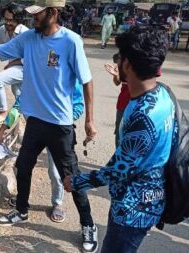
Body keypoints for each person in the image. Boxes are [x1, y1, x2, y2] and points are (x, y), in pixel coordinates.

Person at [0, 0, 98, 252]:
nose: (32, 19)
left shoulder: (71, 41)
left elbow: (87, 81)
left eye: (37, 14)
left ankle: (87, 224)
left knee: (71, 178)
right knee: (22, 166)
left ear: (52, 13)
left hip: (60, 125)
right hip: (36, 122)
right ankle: (22, 210)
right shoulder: (29, 39)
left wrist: (90, 120)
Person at [64, 26, 176, 253]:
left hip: (133, 208)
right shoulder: (163, 94)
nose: (117, 62)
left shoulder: (143, 115)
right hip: (152, 197)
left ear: (127, 64)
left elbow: (118, 170)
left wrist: (76, 182)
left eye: (120, 58)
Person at [0, 82, 85, 223]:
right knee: (21, 165)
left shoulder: (67, 74)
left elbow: (78, 105)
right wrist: (2, 130)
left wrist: (65, 120)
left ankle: (57, 203)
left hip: (59, 131)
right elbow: (18, 105)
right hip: (35, 132)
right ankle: (22, 205)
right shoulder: (35, 77)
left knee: (56, 172)